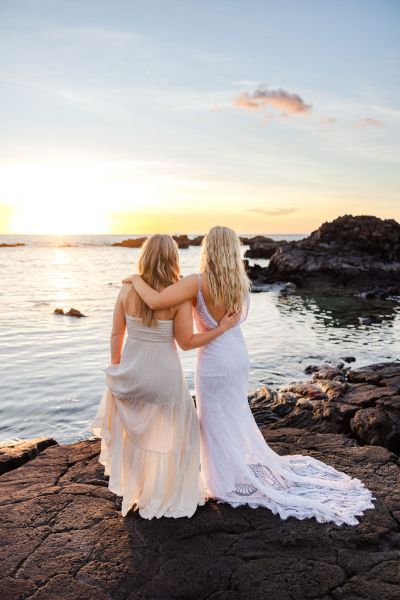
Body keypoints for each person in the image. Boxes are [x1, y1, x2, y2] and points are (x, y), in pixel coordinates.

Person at [123, 225, 377, 526]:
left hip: (215, 359)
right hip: (238, 355)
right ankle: (233, 471)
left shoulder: (196, 283)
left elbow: (155, 302)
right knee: (232, 414)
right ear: (232, 251)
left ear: (208, 251)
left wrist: (136, 278)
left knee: (214, 421)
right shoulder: (240, 283)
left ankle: (223, 481)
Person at [91, 234, 239, 519]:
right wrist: (221, 328)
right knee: (180, 435)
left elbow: (115, 334)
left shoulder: (126, 289)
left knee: (136, 434)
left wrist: (116, 369)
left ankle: (139, 492)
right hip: (165, 378)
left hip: (132, 373)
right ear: (173, 258)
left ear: (144, 256)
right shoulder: (178, 296)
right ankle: (170, 493)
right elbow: (187, 343)